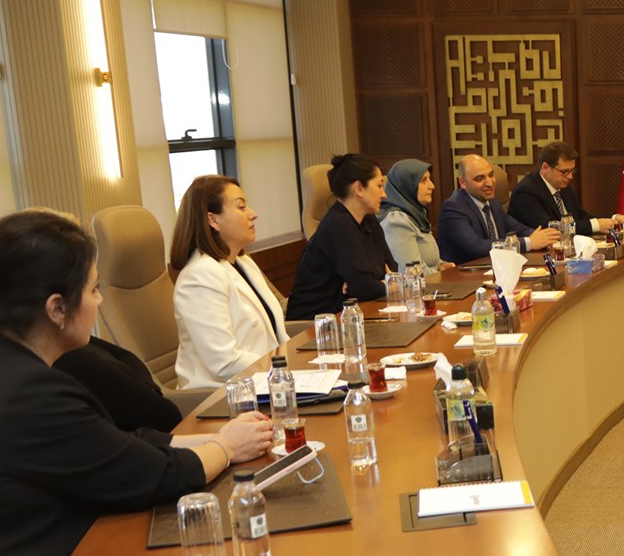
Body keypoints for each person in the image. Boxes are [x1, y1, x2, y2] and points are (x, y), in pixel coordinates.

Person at [0, 210, 273, 556]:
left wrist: (214, 438)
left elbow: (108, 444)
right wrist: (226, 448)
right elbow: (149, 475)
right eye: (93, 290)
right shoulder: (29, 392)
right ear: (57, 308)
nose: (100, 301)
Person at [170, 174, 289, 389]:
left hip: (265, 382)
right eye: (241, 207)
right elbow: (224, 363)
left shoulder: (243, 262)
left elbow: (276, 336)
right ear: (213, 220)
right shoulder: (199, 276)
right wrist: (284, 368)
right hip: (224, 396)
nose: (253, 214)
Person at [285, 153, 397, 321]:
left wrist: (362, 285)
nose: (384, 194)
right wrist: (372, 284)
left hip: (350, 314)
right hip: (314, 323)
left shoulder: (368, 218)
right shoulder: (338, 225)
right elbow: (364, 287)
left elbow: (391, 268)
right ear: (359, 189)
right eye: (379, 186)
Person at [437, 153, 554, 263]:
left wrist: (546, 238)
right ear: (462, 182)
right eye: (479, 178)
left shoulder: (493, 203)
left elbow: (518, 228)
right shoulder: (453, 208)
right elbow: (476, 246)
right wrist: (529, 242)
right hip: (464, 273)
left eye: (491, 175)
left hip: (497, 268)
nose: (489, 183)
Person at [54, 336, 184, 433]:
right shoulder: (74, 359)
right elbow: (167, 416)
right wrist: (149, 389)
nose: (97, 306)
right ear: (57, 311)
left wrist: (148, 388)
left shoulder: (76, 341)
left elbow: (127, 356)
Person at [508, 141, 623, 235]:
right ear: (545, 167)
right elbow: (549, 228)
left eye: (572, 171)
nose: (570, 176)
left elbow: (579, 217)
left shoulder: (561, 185)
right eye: (564, 172)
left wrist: (612, 220)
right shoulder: (525, 192)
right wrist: (596, 225)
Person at [379, 159, 440, 270]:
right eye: (423, 180)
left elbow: (427, 258)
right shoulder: (396, 221)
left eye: (429, 179)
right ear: (405, 185)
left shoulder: (415, 213)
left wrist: (442, 265)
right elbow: (409, 271)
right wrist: (443, 275)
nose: (432, 186)